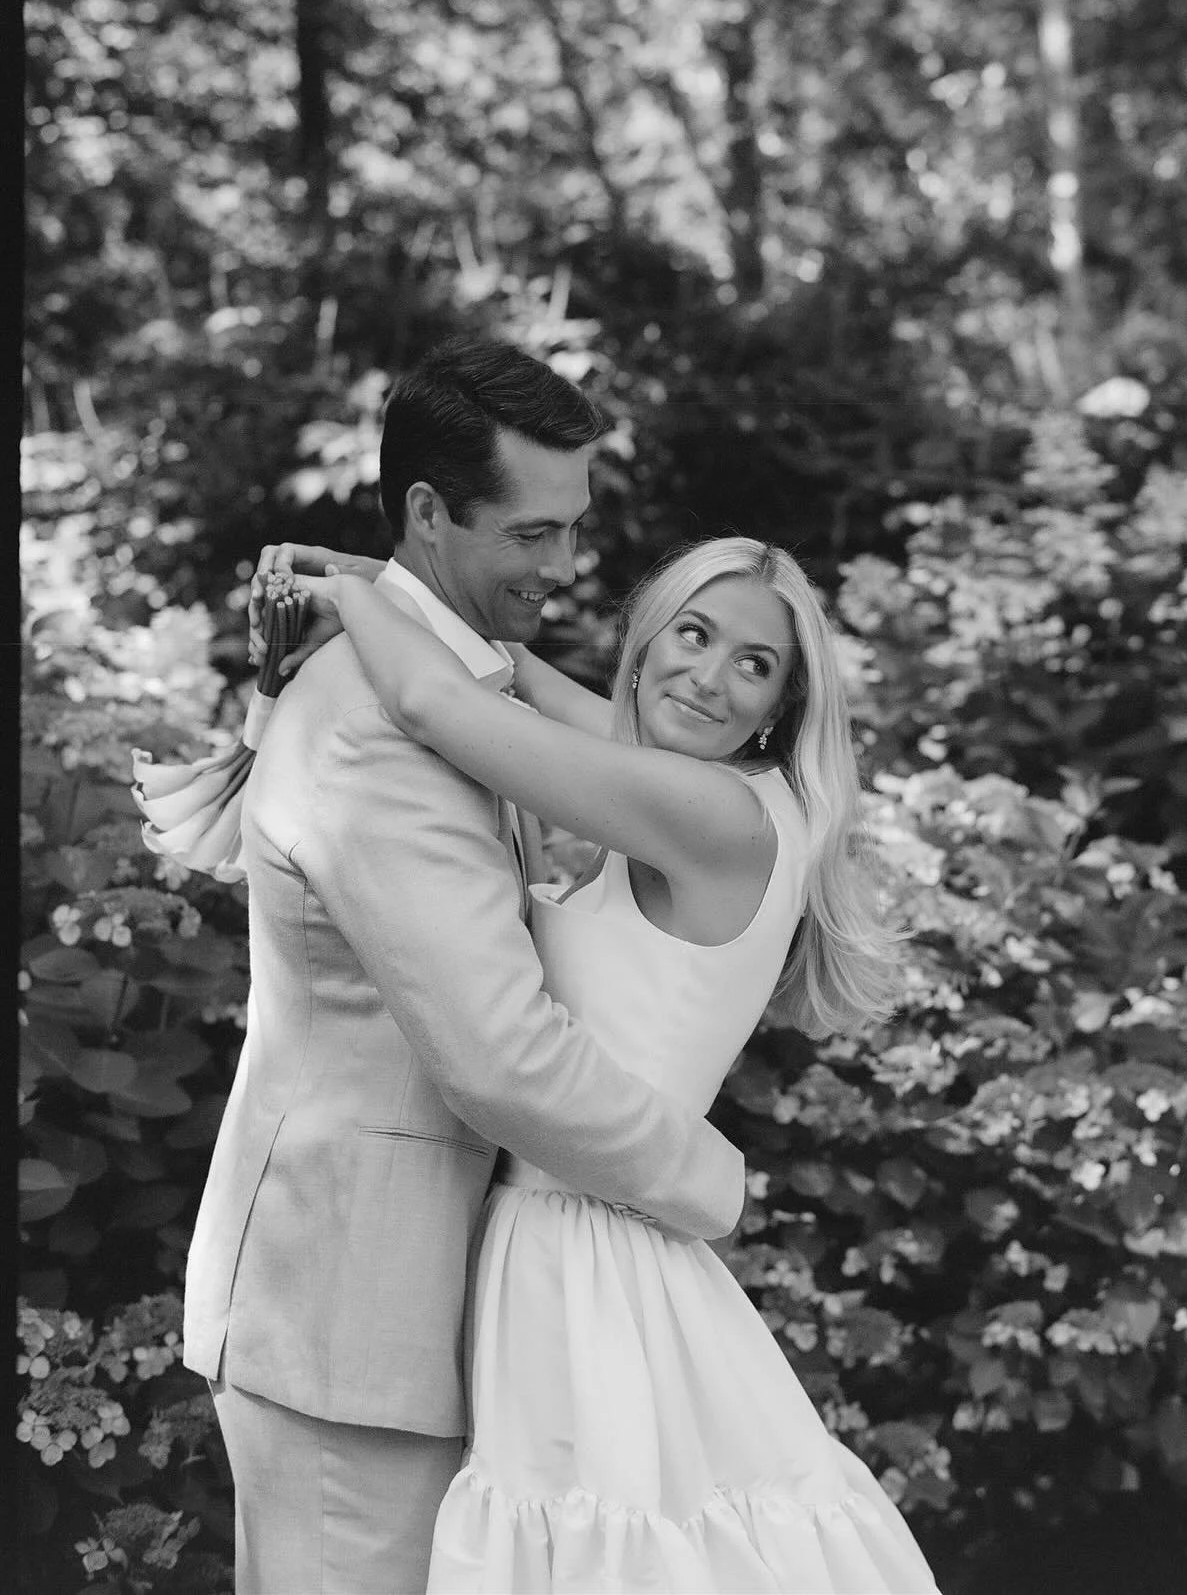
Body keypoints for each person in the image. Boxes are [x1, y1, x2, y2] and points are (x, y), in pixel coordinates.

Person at [261, 531, 942, 1593]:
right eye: (694, 635)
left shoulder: (707, 811)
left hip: (584, 1254)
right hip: (611, 1235)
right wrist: (392, 580)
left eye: (753, 664)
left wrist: (349, 600)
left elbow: (450, 709)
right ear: (643, 645)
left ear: (781, 707)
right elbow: (532, 684)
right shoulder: (735, 789)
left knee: (589, 1552)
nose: (710, 677)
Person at [186, 338, 748, 1595]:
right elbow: (501, 1052)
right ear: (430, 515)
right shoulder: (380, 729)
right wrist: (711, 1184)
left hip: (412, 1307)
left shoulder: (449, 682)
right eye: (533, 534)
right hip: (346, 1314)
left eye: (576, 529)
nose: (565, 567)